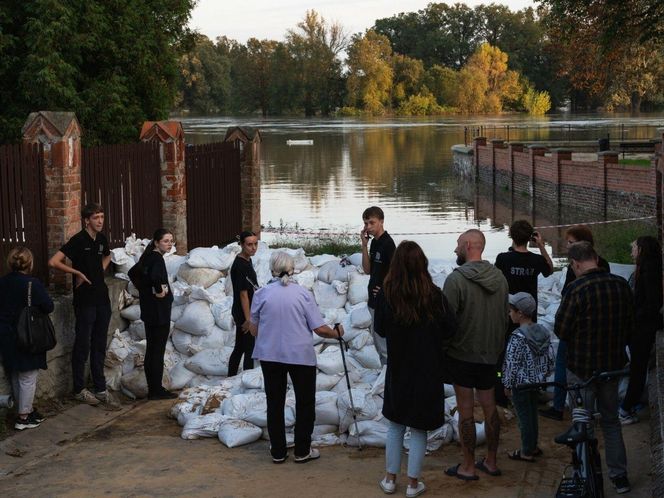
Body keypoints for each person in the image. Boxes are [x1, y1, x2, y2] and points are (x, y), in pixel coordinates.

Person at [373, 241, 453, 497]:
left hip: (399, 368)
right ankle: (412, 483)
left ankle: (389, 479)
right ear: (423, 264)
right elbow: (451, 328)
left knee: (396, 424)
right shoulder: (434, 295)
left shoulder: (388, 295)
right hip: (428, 369)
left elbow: (381, 329)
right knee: (419, 428)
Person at [248, 252, 343, 464]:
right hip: (300, 356)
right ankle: (302, 450)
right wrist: (337, 333)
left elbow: (253, 330)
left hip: (270, 356)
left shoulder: (261, 294)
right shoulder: (303, 294)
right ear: (292, 270)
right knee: (304, 402)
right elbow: (320, 329)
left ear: (272, 269)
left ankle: (278, 451)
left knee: (275, 402)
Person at [554, 241, 633, 494]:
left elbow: (562, 330)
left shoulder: (576, 289)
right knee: (611, 421)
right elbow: (630, 325)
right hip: (612, 367)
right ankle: (619, 477)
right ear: (596, 258)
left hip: (582, 370)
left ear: (575, 264)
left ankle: (582, 473)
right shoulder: (620, 285)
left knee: (582, 423)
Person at [442, 229, 509, 481]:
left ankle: (468, 466)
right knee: (490, 408)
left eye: (458, 244)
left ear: (470, 245)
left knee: (466, 411)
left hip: (462, 354)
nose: (455, 249)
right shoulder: (500, 278)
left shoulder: (456, 280)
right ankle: (491, 461)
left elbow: (446, 321)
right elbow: (504, 316)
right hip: (490, 354)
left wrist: (443, 350)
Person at [48, 202, 120, 409]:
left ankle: (101, 388)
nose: (100, 221)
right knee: (83, 343)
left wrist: (99, 269)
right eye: (96, 218)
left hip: (102, 298)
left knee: (99, 343)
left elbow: (108, 255)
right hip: (85, 300)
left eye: (102, 217)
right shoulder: (78, 240)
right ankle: (79, 389)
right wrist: (77, 273)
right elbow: (54, 261)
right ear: (86, 220)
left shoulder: (102, 239)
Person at [540, 224, 610, 422]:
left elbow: (566, 298)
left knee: (563, 364)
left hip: (578, 329)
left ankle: (561, 407)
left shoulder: (575, 271)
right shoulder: (605, 267)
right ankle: (594, 410)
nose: (567, 245)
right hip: (600, 330)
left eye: (571, 242)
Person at [494, 220, 553, 406]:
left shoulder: (503, 258)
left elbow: (495, 282)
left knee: (505, 352)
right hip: (528, 313)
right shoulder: (535, 260)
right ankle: (531, 387)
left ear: (511, 235)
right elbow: (550, 269)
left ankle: (501, 385)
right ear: (530, 238)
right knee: (530, 351)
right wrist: (541, 246)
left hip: (508, 313)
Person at [0, 247, 54, 430]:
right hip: (27, 334)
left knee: (15, 373)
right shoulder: (32, 284)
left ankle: (25, 410)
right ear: (29, 263)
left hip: (6, 333)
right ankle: (23, 417)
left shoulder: (3, 282)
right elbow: (48, 306)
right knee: (28, 376)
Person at [502, 292, 554, 462]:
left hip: (520, 385)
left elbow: (511, 364)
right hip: (536, 382)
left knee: (523, 418)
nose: (509, 314)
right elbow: (549, 359)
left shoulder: (517, 337)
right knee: (532, 415)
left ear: (520, 313)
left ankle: (526, 451)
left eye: (511, 311)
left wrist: (507, 384)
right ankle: (533, 446)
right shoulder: (543, 332)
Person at [620, 236, 663, 424]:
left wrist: (635, 317)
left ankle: (625, 409)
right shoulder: (646, 269)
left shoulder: (649, 271)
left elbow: (653, 302)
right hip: (640, 326)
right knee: (637, 369)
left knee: (637, 370)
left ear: (642, 250)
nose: (632, 252)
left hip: (642, 328)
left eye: (634, 248)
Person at [136, 228, 177, 400]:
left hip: (149, 310)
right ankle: (156, 390)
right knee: (157, 352)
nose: (169, 244)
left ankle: (153, 388)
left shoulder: (147, 257)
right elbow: (154, 277)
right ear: (156, 242)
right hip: (159, 312)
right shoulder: (157, 258)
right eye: (166, 241)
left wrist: (147, 291)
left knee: (151, 350)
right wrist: (158, 290)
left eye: (171, 241)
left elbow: (134, 274)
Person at [361, 206, 396, 367]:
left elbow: (397, 274)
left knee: (383, 344)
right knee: (377, 341)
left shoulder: (388, 245)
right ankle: (385, 374)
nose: (368, 227)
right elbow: (367, 270)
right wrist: (364, 246)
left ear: (381, 222)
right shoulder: (374, 243)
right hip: (373, 300)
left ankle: (388, 378)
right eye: (366, 223)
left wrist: (385, 290)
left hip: (384, 301)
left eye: (371, 223)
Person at [228, 231, 259, 377]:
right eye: (249, 245)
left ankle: (231, 376)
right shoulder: (240, 265)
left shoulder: (247, 260)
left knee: (240, 346)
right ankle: (247, 378)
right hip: (243, 312)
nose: (253, 248)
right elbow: (243, 294)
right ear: (241, 245)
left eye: (255, 244)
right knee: (249, 347)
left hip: (246, 310)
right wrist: (248, 319)